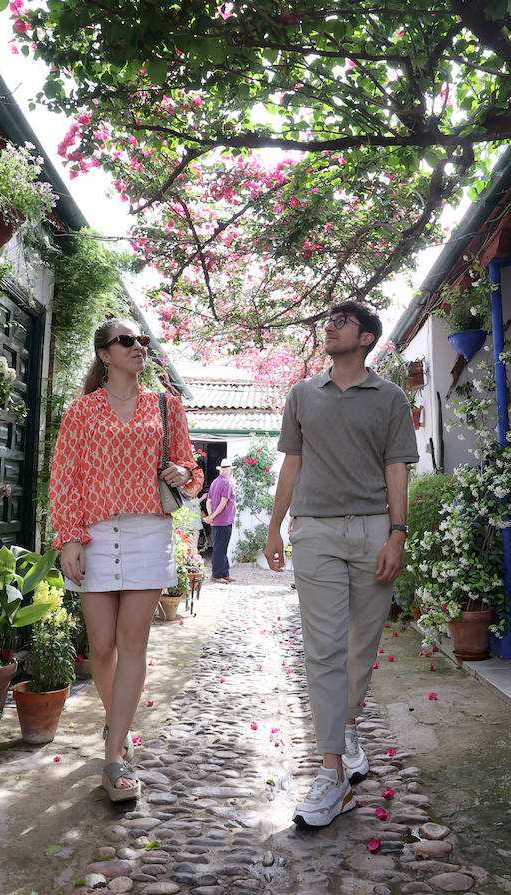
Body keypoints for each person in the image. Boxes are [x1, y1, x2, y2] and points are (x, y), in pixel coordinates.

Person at [263, 299, 419, 828]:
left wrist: (397, 534)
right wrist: (274, 527)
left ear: (366, 338)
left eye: (341, 322)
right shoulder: (303, 394)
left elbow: (397, 469)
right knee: (324, 647)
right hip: (316, 531)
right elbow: (292, 463)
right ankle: (332, 773)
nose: (329, 328)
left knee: (360, 646)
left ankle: (346, 726)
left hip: (375, 531)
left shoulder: (391, 397)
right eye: (328, 321)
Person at [48, 317, 203, 802]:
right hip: (94, 535)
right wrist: (69, 539)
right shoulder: (81, 411)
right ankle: (119, 726)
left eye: (143, 340)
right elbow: (65, 476)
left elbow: (192, 469)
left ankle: (114, 756)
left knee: (132, 643)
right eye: (127, 341)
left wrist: (184, 473)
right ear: (105, 354)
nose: (139, 346)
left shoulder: (166, 406)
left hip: (148, 533)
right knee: (101, 649)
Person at [203, 460, 236, 582]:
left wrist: (211, 515)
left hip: (217, 521)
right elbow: (223, 503)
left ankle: (224, 573)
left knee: (221, 547)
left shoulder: (215, 482)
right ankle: (216, 575)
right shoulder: (226, 483)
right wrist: (212, 516)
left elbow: (209, 501)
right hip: (224, 521)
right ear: (230, 471)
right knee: (220, 549)